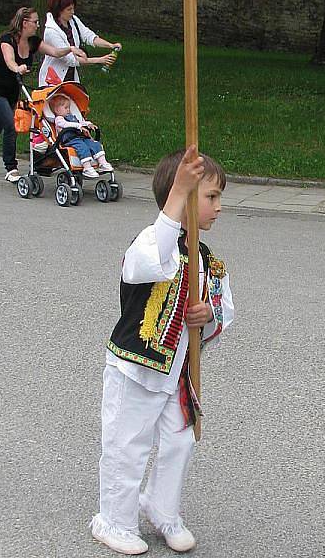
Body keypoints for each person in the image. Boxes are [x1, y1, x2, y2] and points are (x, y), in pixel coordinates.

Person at [91, 146, 234, 555]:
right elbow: (141, 266)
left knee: (180, 440)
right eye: (210, 197)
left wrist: (209, 314)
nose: (219, 207)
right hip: (135, 369)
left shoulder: (206, 259)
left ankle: (161, 506)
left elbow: (225, 307)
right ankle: (113, 520)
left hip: (178, 373)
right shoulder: (153, 243)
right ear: (182, 198)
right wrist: (177, 197)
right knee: (127, 443)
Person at [0, 7, 79, 182]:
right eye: (35, 22)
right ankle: (11, 168)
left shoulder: (33, 42)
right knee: (10, 126)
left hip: (12, 91)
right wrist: (17, 68)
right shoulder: (7, 40)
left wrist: (70, 49)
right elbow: (10, 61)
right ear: (24, 23)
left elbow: (55, 52)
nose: (37, 25)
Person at [39, 0, 122, 85]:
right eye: (69, 9)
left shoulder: (73, 20)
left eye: (73, 8)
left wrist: (110, 45)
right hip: (52, 79)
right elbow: (70, 60)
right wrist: (100, 60)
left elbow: (89, 36)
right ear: (59, 11)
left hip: (71, 78)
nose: (72, 12)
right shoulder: (51, 31)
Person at [48, 93, 113, 178]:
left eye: (69, 108)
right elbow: (66, 124)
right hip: (69, 140)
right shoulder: (59, 119)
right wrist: (79, 126)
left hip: (79, 138)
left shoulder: (71, 117)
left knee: (95, 144)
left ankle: (102, 163)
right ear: (57, 110)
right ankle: (87, 168)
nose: (68, 110)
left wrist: (88, 124)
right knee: (83, 147)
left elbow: (80, 122)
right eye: (66, 108)